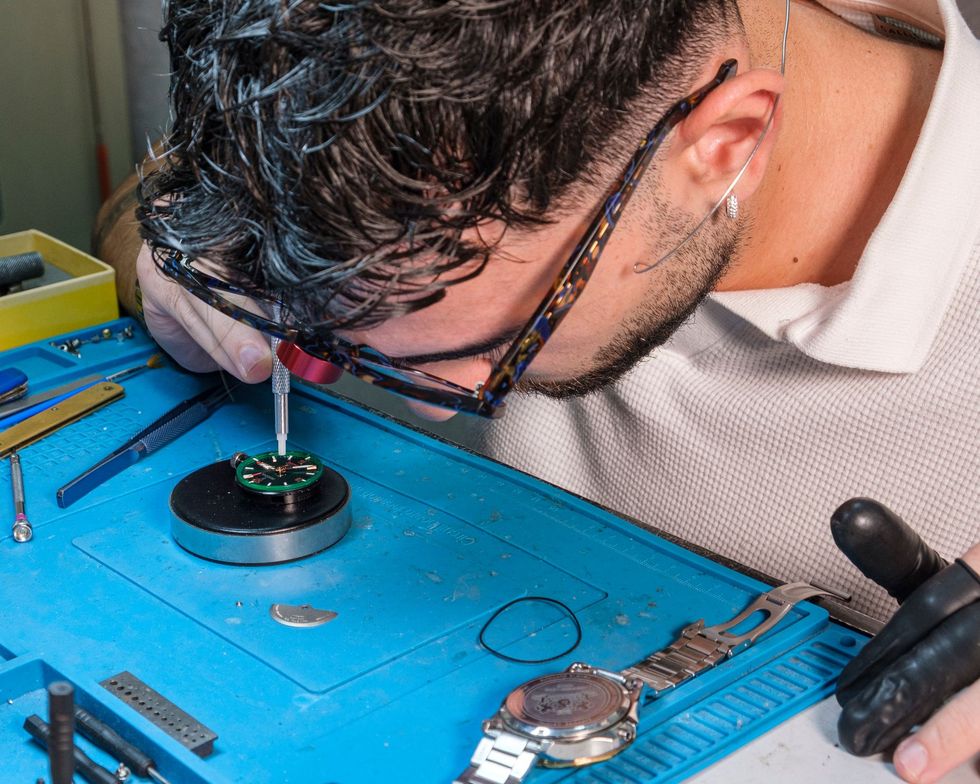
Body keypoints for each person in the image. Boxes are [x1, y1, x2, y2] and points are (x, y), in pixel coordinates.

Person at [95, 0, 980, 780]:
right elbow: (139, 204)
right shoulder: (385, 72)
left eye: (482, 342)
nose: (433, 404)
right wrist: (176, 264)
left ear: (729, 143)